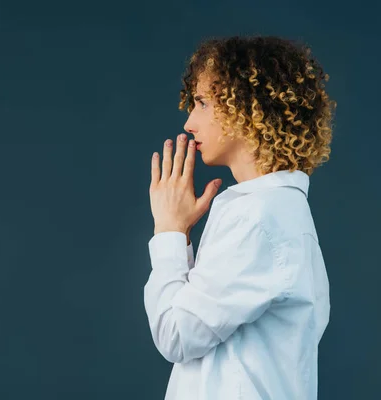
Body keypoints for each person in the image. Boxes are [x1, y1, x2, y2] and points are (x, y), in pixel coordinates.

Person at [145, 35, 336, 399]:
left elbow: (176, 335)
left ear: (247, 108)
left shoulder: (258, 218)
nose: (189, 123)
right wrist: (181, 235)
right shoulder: (273, 211)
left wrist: (168, 231)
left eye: (201, 103)